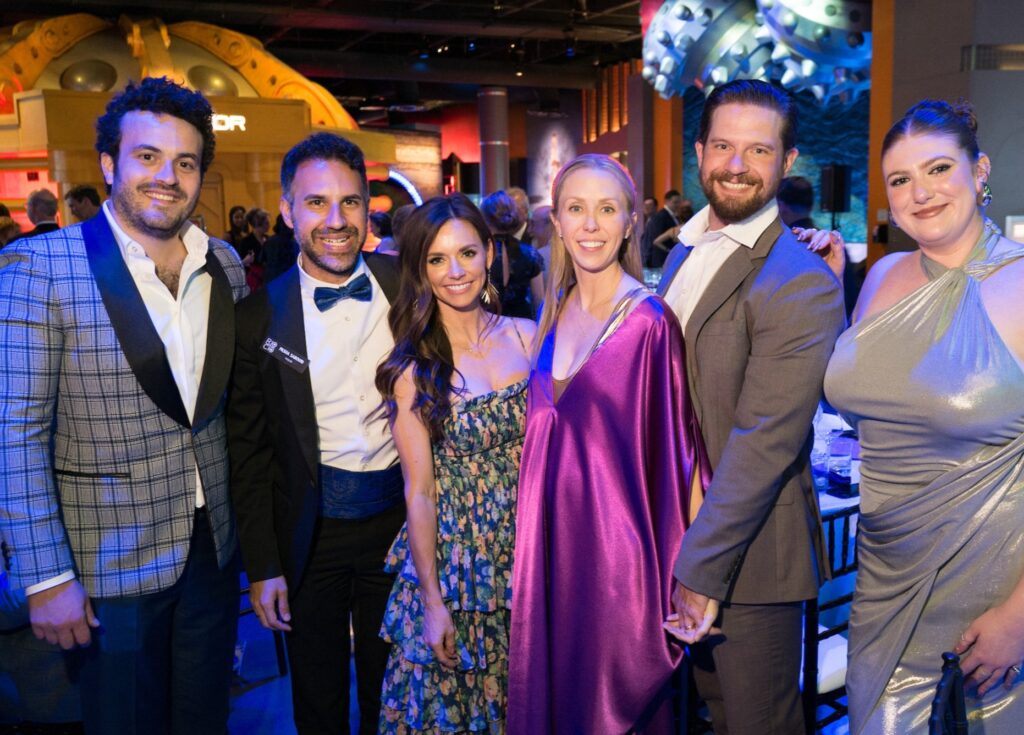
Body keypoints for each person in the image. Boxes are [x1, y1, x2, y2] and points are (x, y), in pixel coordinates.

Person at [0, 76, 248, 735]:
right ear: (109, 163)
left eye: (186, 161)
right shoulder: (39, 266)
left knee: (203, 721)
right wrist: (45, 576)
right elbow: (14, 433)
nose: (167, 176)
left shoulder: (223, 263)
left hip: (213, 551)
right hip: (103, 562)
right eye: (147, 156)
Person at [822, 100, 1024, 734]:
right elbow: (875, 401)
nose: (921, 193)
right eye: (901, 180)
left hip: (989, 606)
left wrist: (1019, 618)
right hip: (880, 588)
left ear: (980, 169)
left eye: (939, 168)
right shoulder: (880, 275)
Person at [657, 79, 845, 734]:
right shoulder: (680, 252)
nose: (737, 165)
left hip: (752, 556)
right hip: (676, 537)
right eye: (724, 146)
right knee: (711, 715)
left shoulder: (800, 281)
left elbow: (763, 443)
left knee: (759, 724)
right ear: (700, 150)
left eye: (758, 150)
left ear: (787, 160)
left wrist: (700, 568)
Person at [508, 153, 709, 734]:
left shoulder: (649, 323)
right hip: (551, 558)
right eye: (576, 209)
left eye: (606, 209)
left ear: (629, 224)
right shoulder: (554, 308)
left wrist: (694, 582)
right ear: (558, 223)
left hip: (618, 574)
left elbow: (683, 460)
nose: (590, 225)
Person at [228, 132, 404, 735]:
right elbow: (247, 456)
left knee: (397, 691)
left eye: (350, 202)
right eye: (316, 203)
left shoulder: (407, 287)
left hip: (400, 530)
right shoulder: (256, 317)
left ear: (367, 207)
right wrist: (263, 566)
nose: (336, 220)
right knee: (318, 696)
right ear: (287, 210)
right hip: (310, 535)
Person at [374, 193, 535, 734]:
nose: (455, 272)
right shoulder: (413, 369)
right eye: (437, 260)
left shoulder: (527, 337)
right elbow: (419, 492)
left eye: (466, 253)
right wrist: (432, 600)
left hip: (529, 557)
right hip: (460, 566)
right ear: (420, 270)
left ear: (488, 252)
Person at [480, 190, 544, 319]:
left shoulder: (477, 254)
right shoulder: (530, 253)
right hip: (523, 326)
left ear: (485, 219)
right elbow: (540, 303)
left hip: (488, 326)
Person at [642, 188, 684, 267]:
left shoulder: (675, 216)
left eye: (679, 202)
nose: (678, 205)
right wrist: (670, 251)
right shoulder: (661, 216)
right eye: (675, 202)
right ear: (667, 201)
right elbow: (656, 240)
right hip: (662, 261)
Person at [238, 206, 270, 290]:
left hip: (267, 281)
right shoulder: (245, 242)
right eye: (266, 223)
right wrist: (246, 261)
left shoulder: (269, 239)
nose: (269, 226)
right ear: (257, 224)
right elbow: (239, 264)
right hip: (253, 284)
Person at [261, 213, 297, 284]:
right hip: (287, 282)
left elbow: (262, 260)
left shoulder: (269, 241)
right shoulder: (293, 244)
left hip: (270, 281)